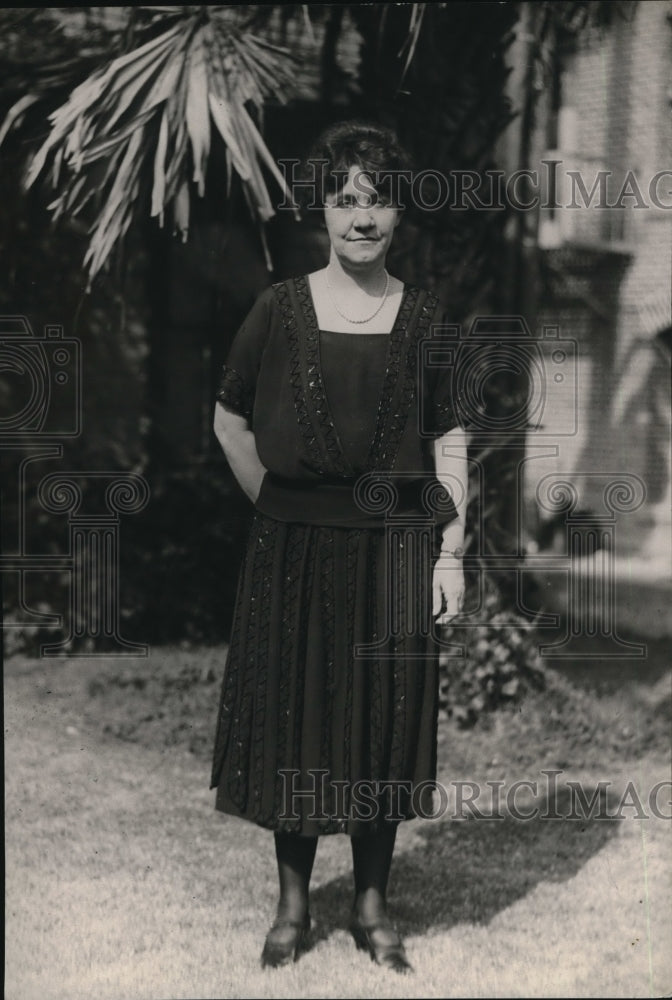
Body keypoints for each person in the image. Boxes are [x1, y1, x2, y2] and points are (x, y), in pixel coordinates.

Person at [210, 120, 468, 974]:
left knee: (381, 720)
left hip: (396, 548)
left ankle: (370, 905)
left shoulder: (426, 320)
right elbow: (229, 420)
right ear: (321, 209)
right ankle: (292, 908)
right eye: (346, 199)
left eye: (379, 200)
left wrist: (449, 553)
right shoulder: (278, 309)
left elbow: (450, 439)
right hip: (292, 551)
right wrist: (279, 509)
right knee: (297, 717)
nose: (362, 217)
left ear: (400, 213)